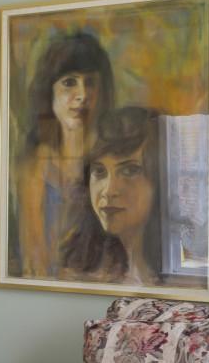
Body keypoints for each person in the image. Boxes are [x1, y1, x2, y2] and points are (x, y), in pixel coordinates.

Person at [12, 31, 114, 277]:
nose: (82, 95)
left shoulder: (113, 156)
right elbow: (34, 259)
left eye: (90, 82)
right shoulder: (35, 164)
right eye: (69, 82)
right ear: (49, 91)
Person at [58, 106, 176, 287]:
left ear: (161, 178)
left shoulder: (181, 274)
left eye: (129, 170)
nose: (108, 190)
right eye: (99, 171)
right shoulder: (78, 270)